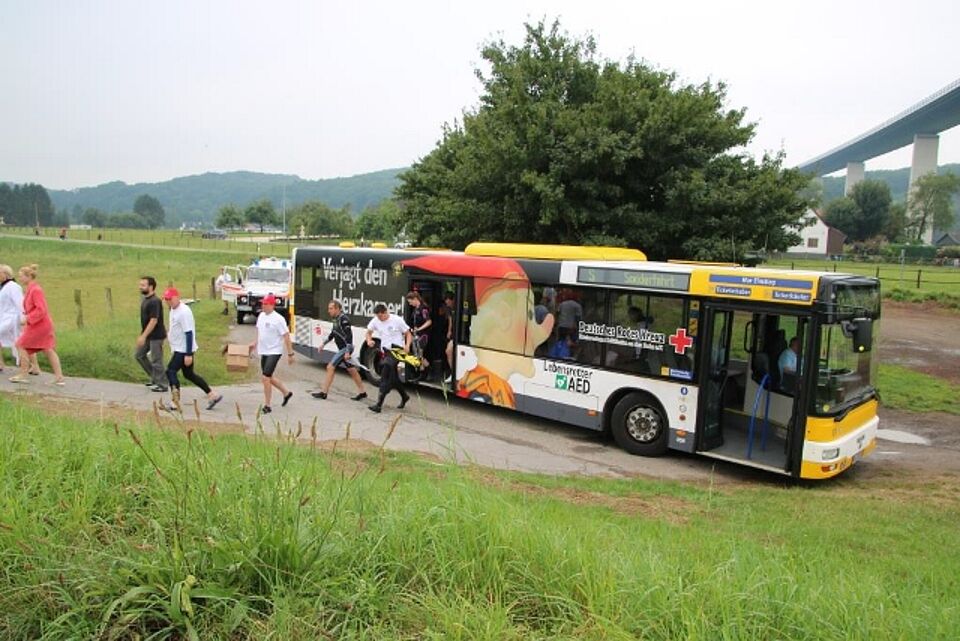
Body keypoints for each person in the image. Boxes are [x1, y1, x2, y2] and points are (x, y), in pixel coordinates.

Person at [162, 287, 223, 411]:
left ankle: (175, 401)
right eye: (166, 299)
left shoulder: (183, 312)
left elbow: (189, 333)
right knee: (189, 374)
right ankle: (212, 395)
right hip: (178, 347)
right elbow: (174, 328)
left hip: (184, 349)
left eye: (170, 299)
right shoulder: (173, 310)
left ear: (177, 297)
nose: (168, 302)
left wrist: (188, 354)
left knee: (171, 371)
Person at [9, 264, 65, 385]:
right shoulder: (31, 289)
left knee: (20, 344)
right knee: (48, 349)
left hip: (39, 325)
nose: (20, 279)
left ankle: (23, 374)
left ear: (29, 276)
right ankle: (59, 377)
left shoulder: (36, 290)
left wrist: (28, 319)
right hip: (40, 324)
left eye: (21, 276)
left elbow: (41, 309)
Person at [312, 299, 367, 401]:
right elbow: (333, 333)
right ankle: (362, 392)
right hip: (343, 349)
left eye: (331, 308)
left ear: (337, 309)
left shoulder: (344, 319)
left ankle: (324, 392)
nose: (329, 311)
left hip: (345, 349)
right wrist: (323, 344)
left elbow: (349, 337)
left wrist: (347, 351)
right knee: (352, 370)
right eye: (329, 308)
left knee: (330, 367)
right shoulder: (336, 319)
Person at [249, 294, 293, 414]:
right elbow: (260, 332)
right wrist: (255, 343)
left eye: (266, 304)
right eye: (263, 303)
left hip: (275, 350)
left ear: (272, 305)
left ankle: (267, 405)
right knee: (269, 377)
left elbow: (286, 336)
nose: (263, 305)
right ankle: (286, 393)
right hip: (264, 350)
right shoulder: (261, 316)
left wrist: (290, 354)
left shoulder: (278, 319)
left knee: (265, 377)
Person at [365, 303, 412, 413]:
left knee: (386, 371)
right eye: (378, 316)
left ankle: (378, 404)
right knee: (393, 377)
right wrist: (368, 340)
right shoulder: (376, 320)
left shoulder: (397, 320)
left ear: (386, 312)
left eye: (381, 316)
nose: (379, 318)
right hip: (385, 351)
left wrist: (407, 345)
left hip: (396, 350)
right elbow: (368, 332)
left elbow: (408, 333)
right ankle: (404, 396)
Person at [136, 276, 168, 392]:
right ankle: (155, 378)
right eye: (140, 285)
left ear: (151, 287)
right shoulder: (145, 299)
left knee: (156, 360)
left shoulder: (155, 301)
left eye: (143, 285)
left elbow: (153, 320)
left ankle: (163, 384)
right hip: (148, 335)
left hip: (156, 336)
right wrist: (143, 335)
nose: (140, 287)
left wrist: (143, 336)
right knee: (139, 355)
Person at [0, 265, 24, 370]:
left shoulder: (13, 286)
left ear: (5, 274)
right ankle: (0, 364)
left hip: (12, 319)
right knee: (18, 342)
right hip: (5, 318)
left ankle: (30, 366)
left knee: (20, 342)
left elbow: (20, 303)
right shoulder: (3, 287)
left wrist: (23, 317)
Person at [405, 291, 432, 371]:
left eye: (410, 302)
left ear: (415, 299)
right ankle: (423, 370)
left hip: (423, 334)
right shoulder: (416, 309)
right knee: (417, 354)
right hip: (416, 333)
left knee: (420, 354)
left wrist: (419, 328)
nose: (410, 304)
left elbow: (429, 321)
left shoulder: (423, 309)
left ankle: (428, 370)